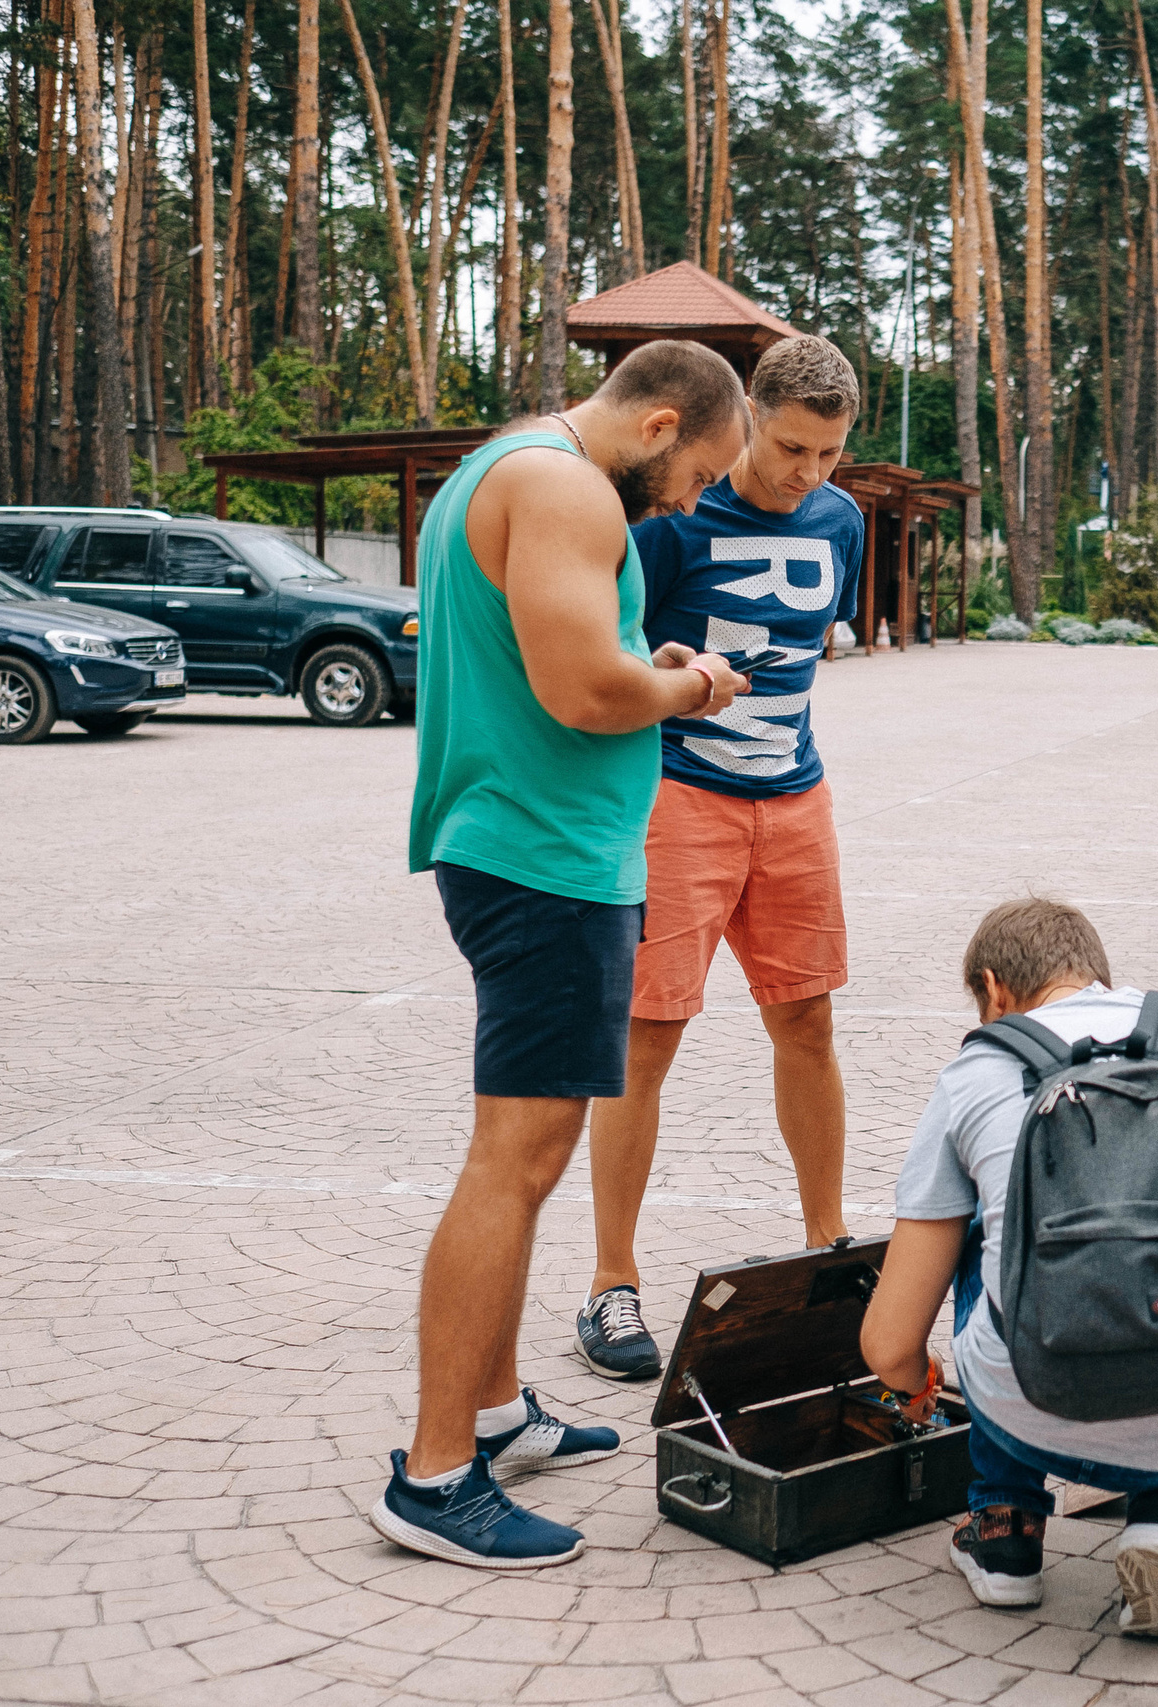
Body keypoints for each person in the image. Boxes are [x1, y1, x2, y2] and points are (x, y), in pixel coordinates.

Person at [376, 340, 754, 1569]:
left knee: (524, 1158)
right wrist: (694, 686)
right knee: (517, 1161)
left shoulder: (507, 465)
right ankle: (437, 1475)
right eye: (698, 474)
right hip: (542, 859)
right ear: (659, 425)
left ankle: (493, 1413)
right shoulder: (564, 486)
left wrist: (649, 666)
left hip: (534, 849)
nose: (691, 502)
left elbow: (565, 655)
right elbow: (583, 691)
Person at [860, 898, 1158, 1643]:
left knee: (978, 1229)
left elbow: (889, 1344)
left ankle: (1005, 1526)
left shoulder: (977, 1070)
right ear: (1098, 975)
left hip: (1030, 1405)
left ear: (994, 990)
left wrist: (919, 1382)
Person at [574, 335, 868, 1382]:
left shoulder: (841, 520)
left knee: (809, 1022)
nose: (808, 473)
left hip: (796, 799)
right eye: (791, 448)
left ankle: (831, 1253)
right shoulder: (671, 518)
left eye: (829, 453)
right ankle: (611, 1283)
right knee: (646, 1039)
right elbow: (611, 653)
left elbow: (816, 642)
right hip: (679, 799)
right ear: (749, 420)